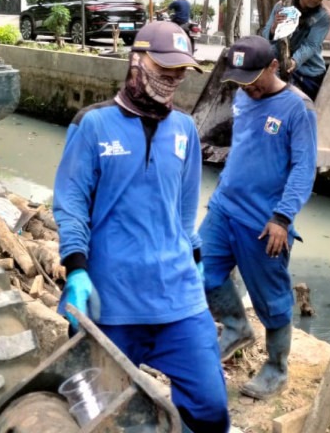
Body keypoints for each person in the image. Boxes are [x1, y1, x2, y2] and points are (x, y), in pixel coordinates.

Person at [52, 21, 229, 433]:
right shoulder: (93, 124)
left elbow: (185, 212)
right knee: (104, 413)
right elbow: (71, 203)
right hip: (111, 302)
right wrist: (76, 268)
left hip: (177, 299)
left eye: (181, 70)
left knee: (211, 408)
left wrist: (196, 254)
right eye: (163, 66)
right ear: (136, 58)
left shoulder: (184, 129)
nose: (174, 77)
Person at [199, 36, 317, 400]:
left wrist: (282, 218)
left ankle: (276, 368)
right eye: (240, 80)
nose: (247, 87)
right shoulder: (241, 95)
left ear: (273, 67)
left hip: (264, 222)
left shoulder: (298, 109)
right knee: (201, 270)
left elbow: (303, 168)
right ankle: (235, 327)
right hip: (224, 207)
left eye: (253, 79)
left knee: (273, 299)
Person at [259, 0, 330, 100]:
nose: (315, 0)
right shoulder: (282, 6)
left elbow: (311, 45)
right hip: (278, 64)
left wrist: (294, 61)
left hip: (308, 69)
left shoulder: (324, 16)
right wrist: (274, 27)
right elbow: (265, 38)